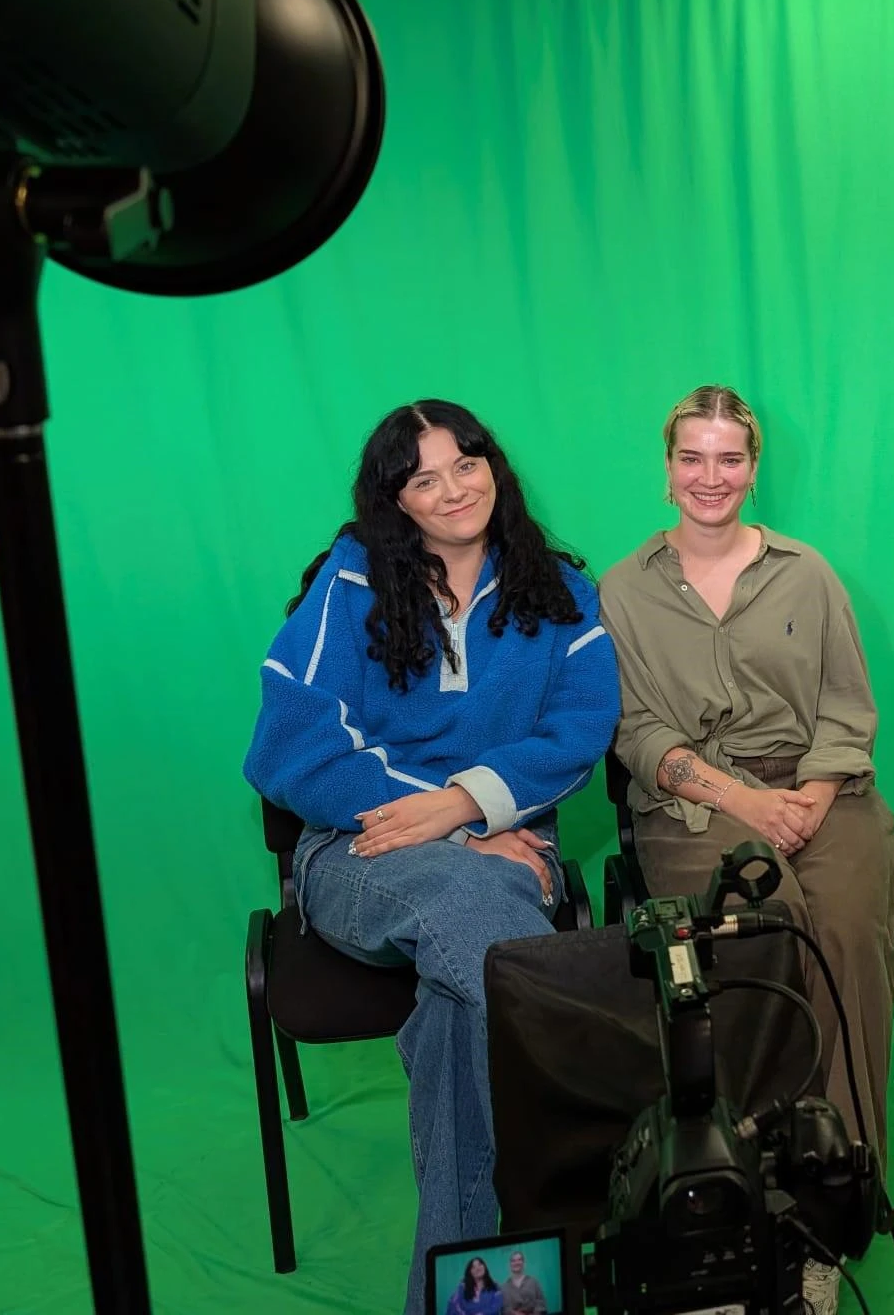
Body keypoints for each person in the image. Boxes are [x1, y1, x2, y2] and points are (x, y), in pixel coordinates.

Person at [243, 400, 619, 1315]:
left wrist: (465, 803)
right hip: (359, 855)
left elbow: (581, 728)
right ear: (396, 500)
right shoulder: (350, 585)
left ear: (496, 466)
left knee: (460, 1014)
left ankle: (459, 1301)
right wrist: (454, 825)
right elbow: (291, 747)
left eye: (467, 463)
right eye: (424, 477)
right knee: (476, 898)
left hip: (503, 855)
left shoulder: (562, 592)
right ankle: (602, 1150)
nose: (454, 488)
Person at [598, 385, 894, 1315]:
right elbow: (637, 736)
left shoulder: (807, 573)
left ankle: (836, 1200)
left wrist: (810, 797)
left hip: (823, 792)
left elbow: (848, 708)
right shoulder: (622, 591)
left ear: (753, 467)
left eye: (728, 458)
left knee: (850, 932)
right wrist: (746, 803)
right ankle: (740, 1190)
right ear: (666, 472)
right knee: (770, 928)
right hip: (696, 805)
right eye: (691, 458)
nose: (710, 476)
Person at [498, 1248, 548, 1315]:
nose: (516, 1263)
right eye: (513, 1261)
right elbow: (504, 1309)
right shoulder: (504, 1287)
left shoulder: (533, 1282)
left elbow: (541, 1302)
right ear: (509, 1265)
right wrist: (515, 1313)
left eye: (519, 1260)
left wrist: (535, 1313)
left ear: (524, 1263)